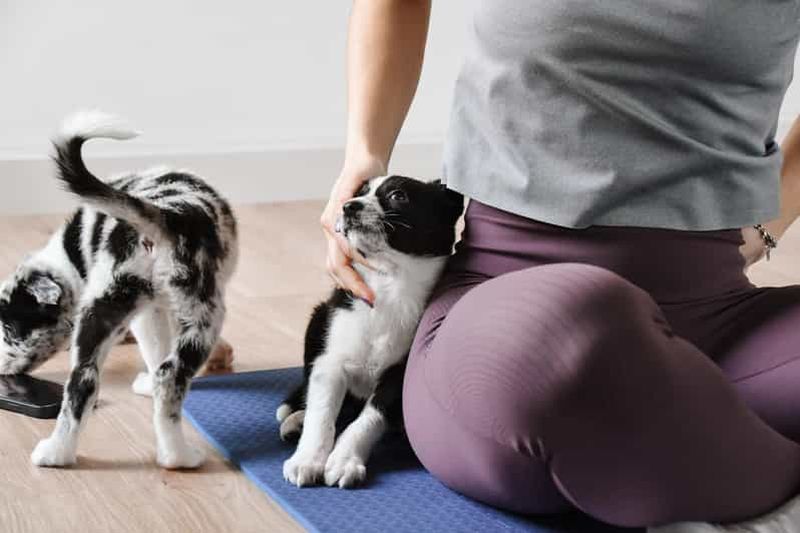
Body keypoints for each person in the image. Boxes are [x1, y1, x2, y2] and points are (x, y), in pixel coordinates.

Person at [320, 1, 800, 530]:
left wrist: (764, 227)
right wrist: (364, 153)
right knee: (566, 336)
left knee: (608, 364)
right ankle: (759, 479)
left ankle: (684, 451)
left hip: (721, 319)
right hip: (516, 315)